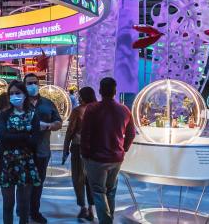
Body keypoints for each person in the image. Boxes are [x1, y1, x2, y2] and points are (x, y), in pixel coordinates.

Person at [81, 77, 135, 224]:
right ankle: (108, 219)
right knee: (110, 191)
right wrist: (123, 149)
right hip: (116, 158)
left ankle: (106, 221)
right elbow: (131, 134)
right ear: (115, 91)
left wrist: (85, 154)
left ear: (100, 90)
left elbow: (85, 134)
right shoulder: (124, 109)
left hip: (96, 158)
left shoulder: (92, 109)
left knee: (98, 192)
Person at [0, 80, 41, 224]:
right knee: (8, 205)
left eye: (18, 93)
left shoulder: (33, 114)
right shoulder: (4, 114)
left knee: (24, 206)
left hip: (26, 162)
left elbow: (35, 140)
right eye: (12, 93)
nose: (14, 96)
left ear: (25, 94)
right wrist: (24, 134)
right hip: (6, 162)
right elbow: (2, 137)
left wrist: (13, 135)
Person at [24, 73, 62, 224]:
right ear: (24, 85)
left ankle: (34, 211)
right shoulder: (19, 103)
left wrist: (48, 125)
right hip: (23, 151)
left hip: (42, 151)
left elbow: (58, 122)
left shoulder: (48, 103)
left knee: (38, 183)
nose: (32, 85)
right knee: (24, 182)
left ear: (38, 84)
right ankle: (23, 210)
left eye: (34, 83)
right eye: (29, 83)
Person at [63, 87, 97, 221]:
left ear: (82, 97)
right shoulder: (98, 110)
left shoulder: (78, 111)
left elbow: (70, 131)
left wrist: (65, 149)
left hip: (78, 147)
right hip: (95, 149)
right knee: (91, 180)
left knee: (78, 178)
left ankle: (82, 207)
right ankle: (91, 209)